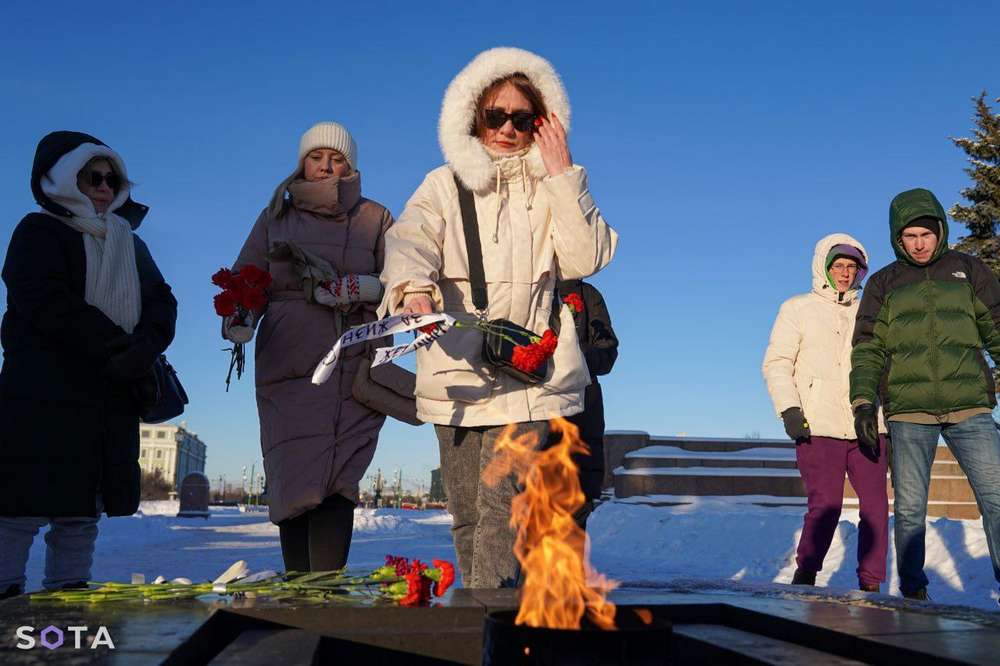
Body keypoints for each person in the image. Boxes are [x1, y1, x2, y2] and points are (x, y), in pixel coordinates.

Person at [380, 47, 618, 588]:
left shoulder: (553, 186)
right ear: (473, 117)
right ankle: (487, 622)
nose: (508, 129)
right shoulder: (443, 184)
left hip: (530, 370)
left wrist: (563, 174)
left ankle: (490, 621)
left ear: (543, 122)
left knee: (500, 504)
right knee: (466, 512)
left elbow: (586, 258)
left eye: (523, 118)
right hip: (457, 369)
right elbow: (410, 240)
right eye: (496, 116)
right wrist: (414, 292)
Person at [0, 131, 177, 599]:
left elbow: (162, 301)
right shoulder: (38, 231)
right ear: (62, 181)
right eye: (91, 177)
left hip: (107, 397)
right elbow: (42, 299)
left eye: (111, 179)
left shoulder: (129, 243)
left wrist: (143, 348)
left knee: (80, 513)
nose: (103, 186)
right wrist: (115, 345)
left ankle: (66, 603)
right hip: (43, 394)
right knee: (17, 509)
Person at [227, 122, 393, 572]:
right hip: (288, 355)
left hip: (353, 357)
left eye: (337, 159)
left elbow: (404, 282)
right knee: (293, 467)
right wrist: (240, 314)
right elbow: (248, 276)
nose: (326, 166)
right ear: (301, 162)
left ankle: (326, 590)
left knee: (341, 473)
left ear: (351, 166)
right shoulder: (274, 217)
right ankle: (298, 588)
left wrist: (364, 287)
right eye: (316, 157)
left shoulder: (375, 218)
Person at [851, 188, 1000, 601]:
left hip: (969, 405)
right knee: (912, 509)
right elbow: (867, 348)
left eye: (926, 234)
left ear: (940, 231)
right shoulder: (883, 283)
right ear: (898, 238)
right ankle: (914, 593)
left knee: (997, 497)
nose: (919, 244)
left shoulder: (969, 271)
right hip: (909, 412)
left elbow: (997, 328)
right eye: (909, 236)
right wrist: (863, 401)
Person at [763, 234, 889, 592]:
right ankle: (806, 574)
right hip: (817, 425)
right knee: (827, 505)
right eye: (839, 266)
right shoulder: (797, 308)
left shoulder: (872, 310)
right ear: (824, 267)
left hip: (868, 424)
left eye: (852, 266)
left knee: (876, 509)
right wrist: (790, 409)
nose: (846, 273)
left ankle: (871, 583)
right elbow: (777, 363)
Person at [556, 279, 619, 526]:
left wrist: (570, 351)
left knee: (577, 504)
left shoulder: (587, 294)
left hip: (582, 413)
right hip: (532, 415)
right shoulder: (524, 282)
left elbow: (607, 354)